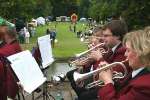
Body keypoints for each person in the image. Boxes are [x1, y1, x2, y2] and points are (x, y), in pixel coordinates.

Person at [98, 29, 150, 100]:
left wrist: (107, 81)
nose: (125, 54)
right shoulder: (136, 70)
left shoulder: (144, 86)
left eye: (128, 50)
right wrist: (110, 75)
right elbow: (122, 90)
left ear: (141, 53)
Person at [0, 21, 22, 99]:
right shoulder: (17, 46)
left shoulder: (3, 52)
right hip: (14, 86)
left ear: (6, 36)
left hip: (5, 90)